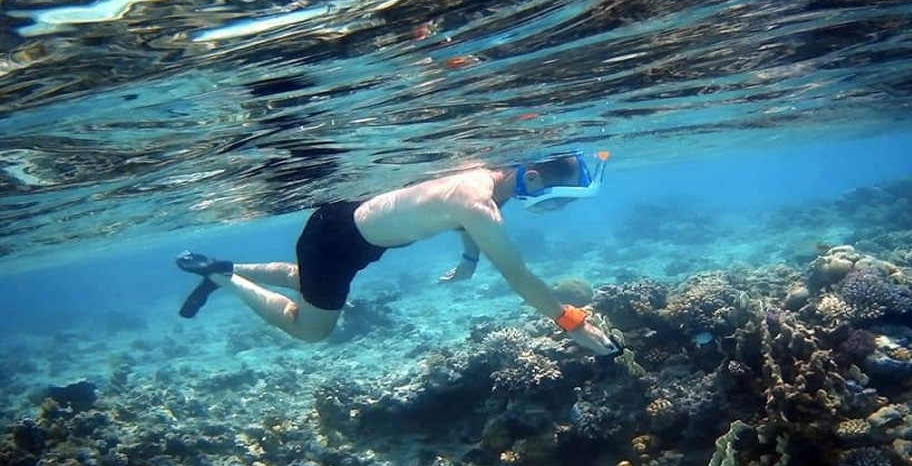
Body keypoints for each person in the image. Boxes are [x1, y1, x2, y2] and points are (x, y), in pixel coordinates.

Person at [175, 150, 621, 356]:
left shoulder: (488, 177)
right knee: (312, 330)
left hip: (345, 230)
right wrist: (571, 322)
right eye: (561, 200)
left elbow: (475, 220)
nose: (559, 209)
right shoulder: (479, 204)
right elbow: (519, 277)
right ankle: (222, 278)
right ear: (537, 181)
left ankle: (225, 265)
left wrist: (468, 262)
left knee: (306, 279)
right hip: (337, 242)